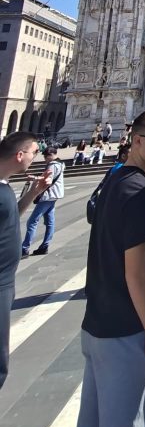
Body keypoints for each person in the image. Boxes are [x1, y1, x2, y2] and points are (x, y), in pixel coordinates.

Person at [74, 109, 145, 427]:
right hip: (128, 329)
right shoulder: (141, 192)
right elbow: (138, 272)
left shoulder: (113, 182)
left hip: (97, 323)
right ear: (137, 140)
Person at [0, 132, 53, 389]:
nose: (36, 157)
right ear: (19, 155)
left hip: (6, 281)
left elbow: (11, 216)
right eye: (34, 152)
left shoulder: (5, 186)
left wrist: (33, 193)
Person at [21, 144, 64, 257]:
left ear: (52, 155)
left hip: (48, 195)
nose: (45, 159)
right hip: (55, 195)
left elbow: (47, 180)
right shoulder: (60, 164)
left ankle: (25, 248)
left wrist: (34, 178)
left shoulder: (52, 165)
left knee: (32, 221)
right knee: (50, 221)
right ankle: (44, 245)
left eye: (46, 156)